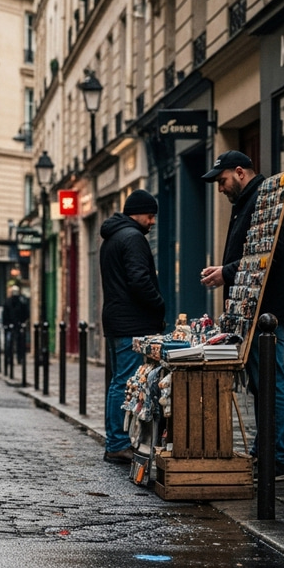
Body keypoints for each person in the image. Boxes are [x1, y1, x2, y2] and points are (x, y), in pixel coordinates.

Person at [201, 150, 284, 481]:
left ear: (240, 172)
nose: (219, 187)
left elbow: (270, 257)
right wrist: (225, 270)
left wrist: (225, 273)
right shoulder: (249, 201)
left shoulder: (264, 200)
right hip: (258, 311)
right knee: (262, 385)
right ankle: (267, 451)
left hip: (270, 311)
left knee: (272, 383)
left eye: (222, 180)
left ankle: (279, 460)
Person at [99, 188, 166, 465]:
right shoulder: (133, 238)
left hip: (117, 319)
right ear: (136, 214)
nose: (152, 222)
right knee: (125, 381)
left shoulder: (113, 237)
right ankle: (117, 442)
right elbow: (139, 280)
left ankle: (116, 440)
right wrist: (158, 304)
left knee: (118, 381)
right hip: (131, 321)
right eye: (150, 216)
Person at [2, 285, 30, 364]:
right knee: (10, 343)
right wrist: (6, 324)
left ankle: (18, 358)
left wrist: (22, 322)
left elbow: (25, 313)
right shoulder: (12, 301)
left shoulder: (20, 301)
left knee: (18, 343)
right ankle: (11, 359)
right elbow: (5, 314)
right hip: (13, 325)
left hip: (17, 325)